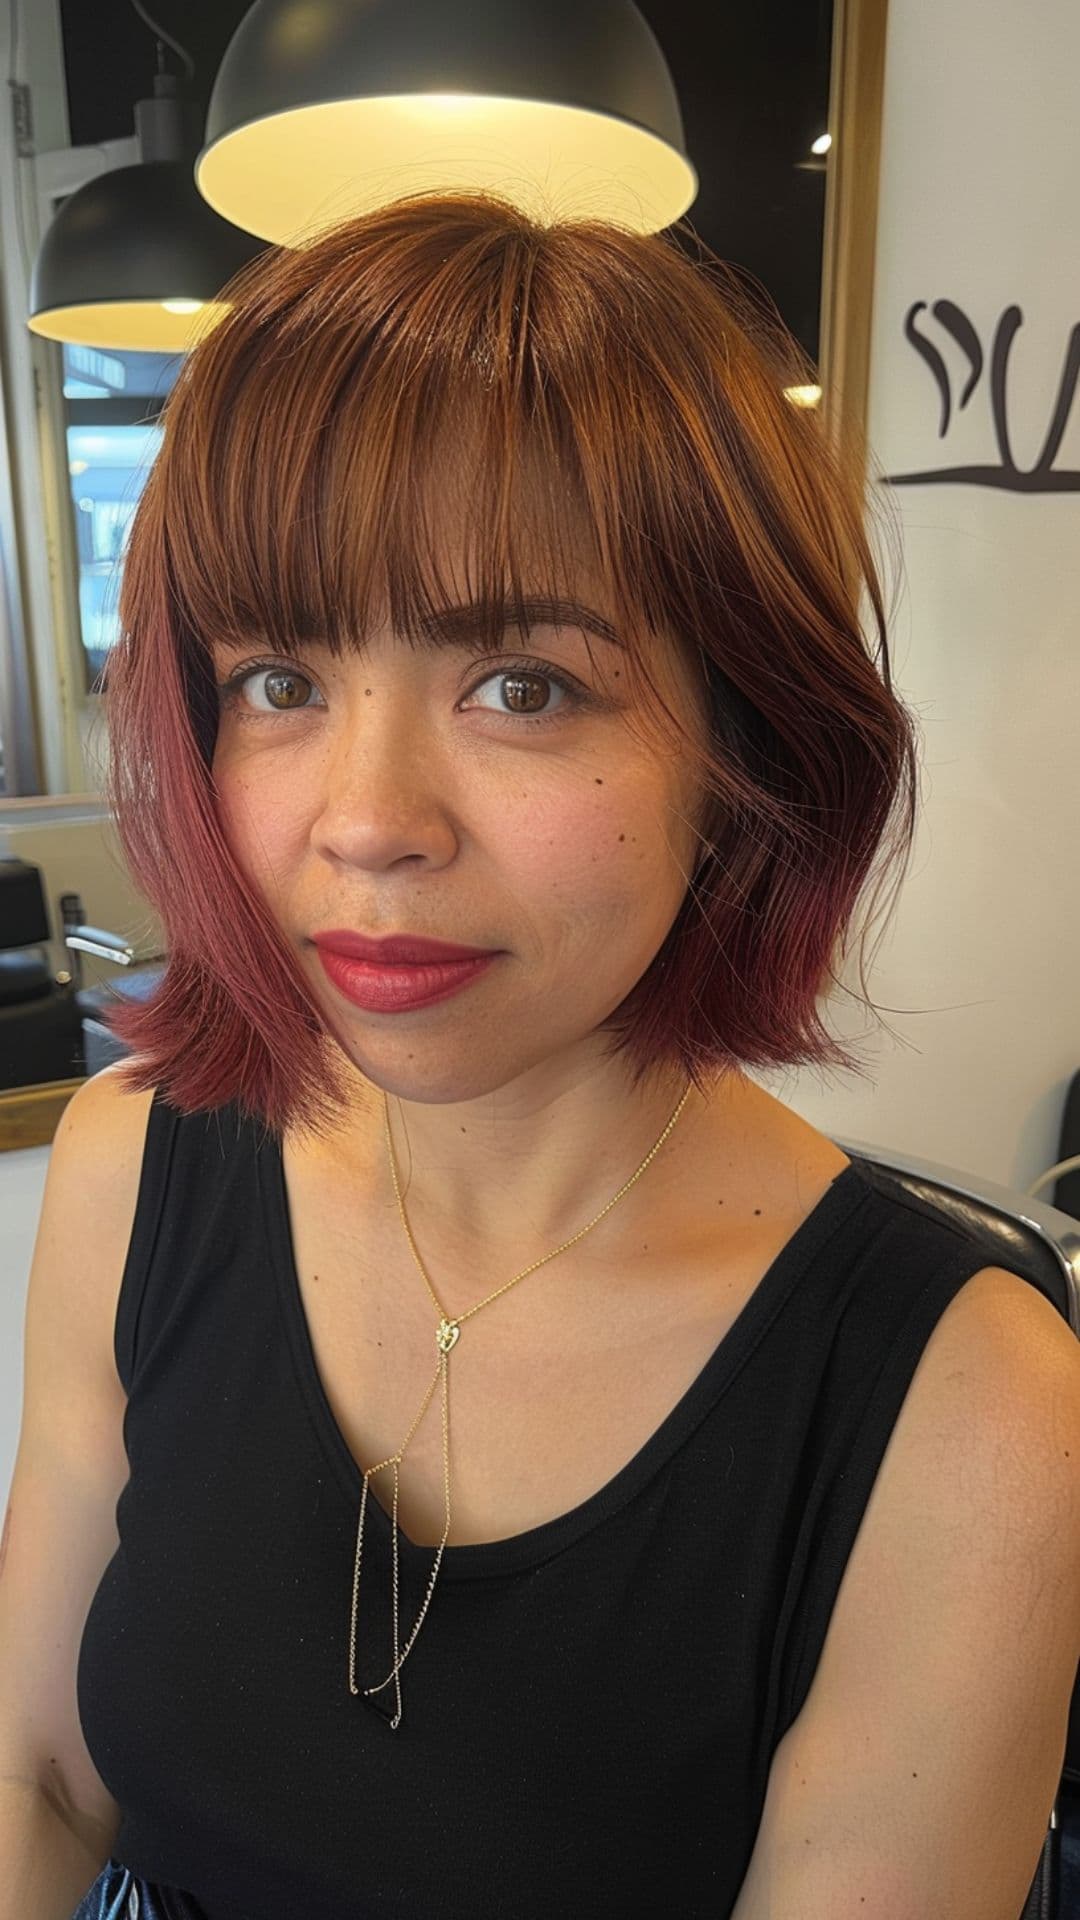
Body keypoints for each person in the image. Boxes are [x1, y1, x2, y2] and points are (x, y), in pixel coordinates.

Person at [3, 190, 1077, 1920]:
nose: (366, 823)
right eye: (278, 676)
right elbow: (41, 1775)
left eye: (521, 684)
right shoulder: (138, 1166)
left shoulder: (969, 1407)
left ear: (747, 745)